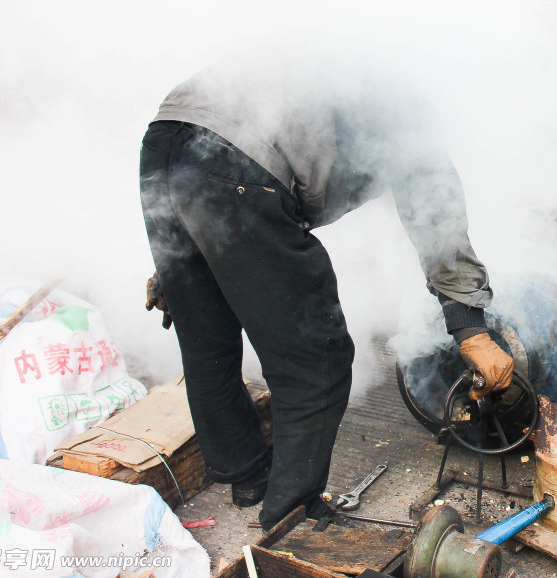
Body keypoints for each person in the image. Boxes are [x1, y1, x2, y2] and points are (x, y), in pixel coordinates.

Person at [139, 48, 514, 531]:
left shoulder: (337, 67)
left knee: (205, 333)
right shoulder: (406, 114)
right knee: (320, 360)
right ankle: (292, 516)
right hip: (236, 162)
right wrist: (471, 329)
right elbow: (438, 219)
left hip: (165, 140)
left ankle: (246, 474)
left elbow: (200, 153)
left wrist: (181, 264)